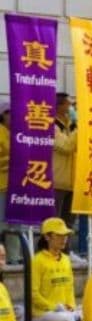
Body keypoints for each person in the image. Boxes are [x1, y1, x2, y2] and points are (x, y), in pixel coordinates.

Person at [32, 218, 78, 321]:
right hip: (42, 313)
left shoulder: (66, 260)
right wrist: (54, 307)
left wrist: (71, 306)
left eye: (65, 235)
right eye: (59, 235)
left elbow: (69, 288)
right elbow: (33, 293)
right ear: (47, 237)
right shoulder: (37, 261)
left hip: (64, 311)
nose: (64, 239)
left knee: (89, 313)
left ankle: (74, 319)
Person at [53, 93, 79, 247]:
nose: (71, 107)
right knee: (55, 222)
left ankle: (66, 252)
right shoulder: (51, 126)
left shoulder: (70, 125)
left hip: (73, 181)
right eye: (68, 104)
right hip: (58, 181)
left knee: (69, 223)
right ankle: (49, 251)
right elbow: (66, 147)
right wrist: (79, 127)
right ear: (59, 106)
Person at [0, 102, 20, 263]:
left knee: (15, 222)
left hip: (17, 186)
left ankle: (13, 257)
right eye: (8, 113)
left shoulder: (17, 133)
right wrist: (14, 159)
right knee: (2, 223)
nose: (12, 116)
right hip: (2, 185)